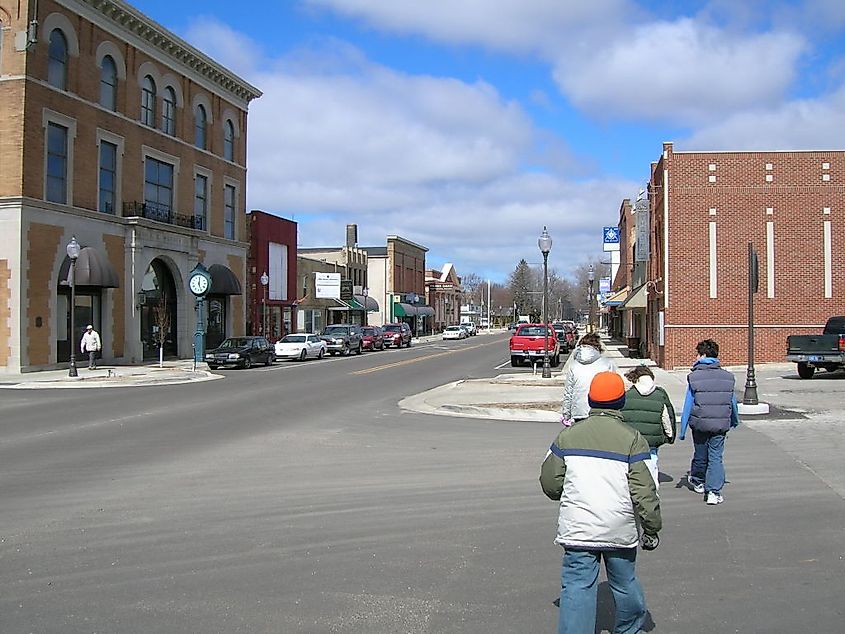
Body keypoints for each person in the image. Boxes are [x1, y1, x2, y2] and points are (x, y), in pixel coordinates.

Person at [541, 372, 661, 634]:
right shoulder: (633, 439)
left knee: (577, 585)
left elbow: (550, 482)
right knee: (624, 581)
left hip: (579, 527)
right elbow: (644, 491)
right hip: (619, 526)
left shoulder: (567, 437)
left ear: (590, 400)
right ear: (621, 402)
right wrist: (651, 528)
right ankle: (628, 629)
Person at [678, 339, 739, 505]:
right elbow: (732, 401)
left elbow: (688, 403)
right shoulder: (728, 377)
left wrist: (682, 430)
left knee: (700, 453)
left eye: (698, 354)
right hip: (720, 423)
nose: (696, 357)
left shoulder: (694, 377)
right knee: (716, 456)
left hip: (700, 423)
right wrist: (734, 420)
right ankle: (713, 491)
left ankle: (698, 480)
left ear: (703, 355)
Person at [621, 365, 677, 489]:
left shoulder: (627, 395)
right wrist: (669, 434)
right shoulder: (660, 394)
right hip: (652, 440)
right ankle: (652, 489)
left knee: (632, 466)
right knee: (652, 464)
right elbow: (666, 417)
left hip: (633, 440)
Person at [560, 333, 617, 425]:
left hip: (579, 411)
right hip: (601, 411)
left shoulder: (573, 366)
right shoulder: (607, 364)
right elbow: (613, 389)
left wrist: (566, 414)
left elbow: (568, 392)